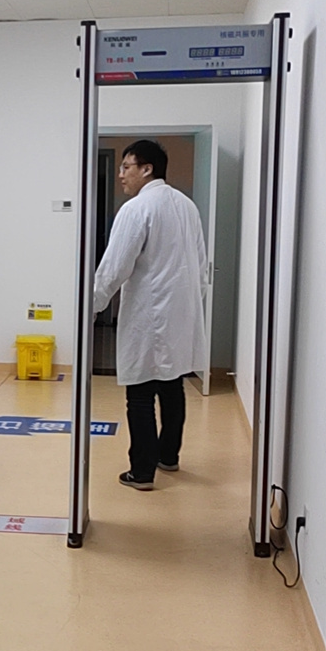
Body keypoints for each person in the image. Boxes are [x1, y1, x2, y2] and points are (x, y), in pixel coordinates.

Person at [93, 138, 207, 490]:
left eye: (126, 167)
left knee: (140, 394)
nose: (121, 175)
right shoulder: (187, 206)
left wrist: (91, 306)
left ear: (147, 169)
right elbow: (201, 265)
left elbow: (115, 267)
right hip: (180, 314)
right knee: (172, 385)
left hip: (149, 315)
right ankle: (168, 456)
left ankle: (142, 471)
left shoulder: (136, 209)